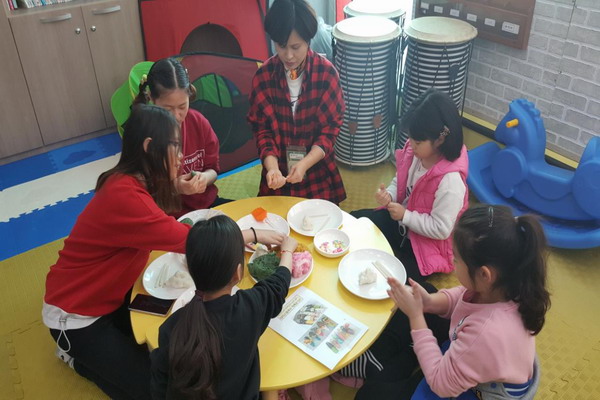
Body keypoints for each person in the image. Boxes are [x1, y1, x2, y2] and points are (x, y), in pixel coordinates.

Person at [42, 105, 284, 400]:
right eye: (176, 147)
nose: (181, 156)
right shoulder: (125, 197)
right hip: (76, 315)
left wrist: (175, 186)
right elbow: (190, 240)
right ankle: (75, 358)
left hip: (111, 296)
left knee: (167, 356)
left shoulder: (132, 180)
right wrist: (251, 234)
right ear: (149, 146)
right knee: (158, 390)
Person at [385, 204, 550, 399]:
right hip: (486, 358)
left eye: (456, 259)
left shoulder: (484, 333)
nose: (452, 262)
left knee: (372, 394)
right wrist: (428, 302)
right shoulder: (508, 285)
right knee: (428, 293)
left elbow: (439, 384)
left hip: (485, 392)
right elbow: (462, 297)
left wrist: (416, 317)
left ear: (484, 275)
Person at [150, 215, 297, 399]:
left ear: (190, 269)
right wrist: (287, 251)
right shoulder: (249, 308)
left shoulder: (171, 327)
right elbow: (278, 285)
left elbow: (160, 384)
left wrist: (253, 234)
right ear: (238, 273)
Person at [351, 88, 468, 282]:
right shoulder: (416, 152)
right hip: (402, 224)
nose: (411, 145)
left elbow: (441, 229)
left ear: (440, 139)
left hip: (426, 245)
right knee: (356, 220)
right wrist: (389, 195)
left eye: (417, 141)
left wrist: (406, 215)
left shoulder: (451, 181)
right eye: (410, 138)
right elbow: (400, 180)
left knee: (394, 279)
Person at [247, 0, 346, 204]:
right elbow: (262, 131)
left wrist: (304, 164)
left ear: (308, 40)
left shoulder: (326, 75)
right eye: (281, 46)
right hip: (277, 175)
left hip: (317, 173)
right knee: (271, 221)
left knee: (321, 222)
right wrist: (272, 168)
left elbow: (328, 132)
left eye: (296, 47)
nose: (289, 56)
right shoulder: (263, 77)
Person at [133, 57, 229, 218]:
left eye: (182, 106)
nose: (176, 116)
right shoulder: (143, 134)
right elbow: (140, 193)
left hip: (205, 205)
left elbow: (213, 169)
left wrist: (204, 178)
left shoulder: (199, 123)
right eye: (167, 109)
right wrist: (175, 187)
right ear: (151, 98)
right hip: (167, 214)